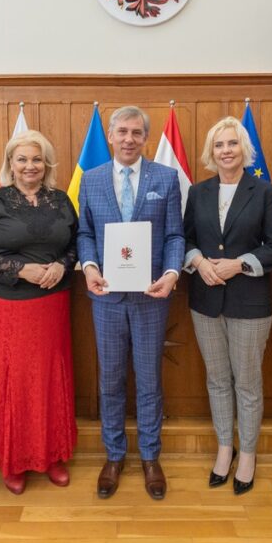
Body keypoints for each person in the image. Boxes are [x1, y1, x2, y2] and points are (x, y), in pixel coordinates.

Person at [77, 105, 184, 501]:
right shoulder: (91, 179)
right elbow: (85, 232)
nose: (128, 139)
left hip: (152, 296)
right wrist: (88, 266)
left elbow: (175, 235)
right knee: (110, 381)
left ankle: (151, 457)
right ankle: (114, 454)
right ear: (109, 135)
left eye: (137, 133)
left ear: (145, 138)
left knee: (150, 380)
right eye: (122, 131)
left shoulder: (166, 178)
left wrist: (172, 274)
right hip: (105, 296)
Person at [0, 130, 78, 495]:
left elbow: (76, 245)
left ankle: (52, 455)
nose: (30, 166)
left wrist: (62, 265)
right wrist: (19, 270)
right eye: (22, 159)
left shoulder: (61, 200)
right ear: (10, 164)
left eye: (37, 159)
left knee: (47, 379)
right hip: (5, 305)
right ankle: (13, 460)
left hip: (51, 303)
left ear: (47, 163)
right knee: (10, 383)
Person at [183, 117, 272, 495]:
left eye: (232, 143)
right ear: (211, 153)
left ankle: (249, 454)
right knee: (217, 380)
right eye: (218, 145)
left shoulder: (264, 192)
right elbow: (185, 238)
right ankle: (225, 448)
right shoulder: (198, 192)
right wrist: (198, 263)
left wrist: (239, 263)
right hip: (205, 299)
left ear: (245, 149)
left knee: (247, 383)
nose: (225, 151)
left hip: (249, 302)